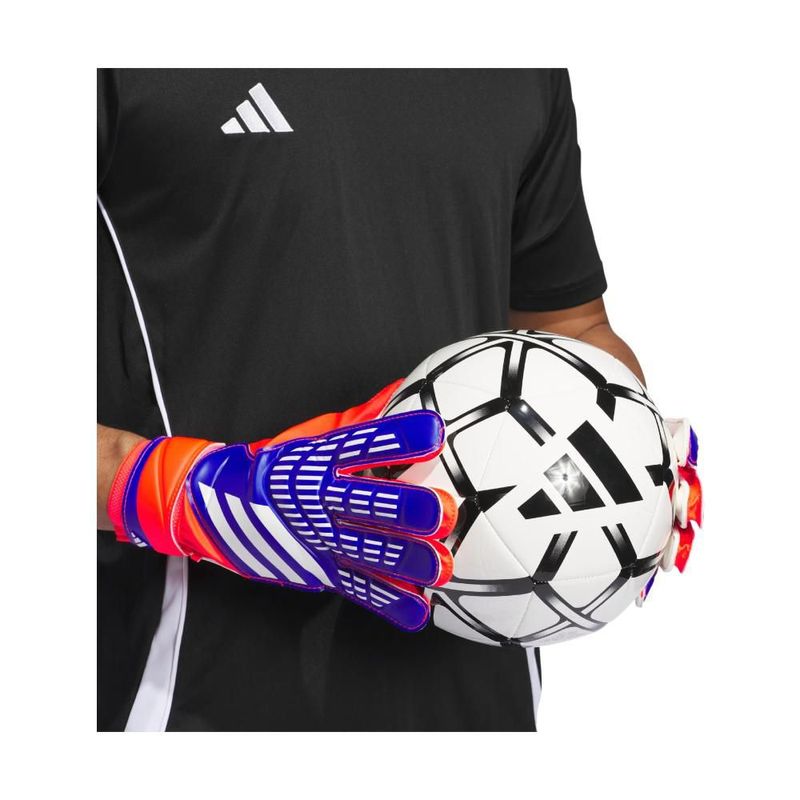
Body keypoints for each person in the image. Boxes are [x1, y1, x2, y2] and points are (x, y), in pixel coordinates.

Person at [97, 68, 645, 732]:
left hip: (481, 692)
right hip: (188, 691)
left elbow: (571, 326)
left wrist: (639, 453)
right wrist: (177, 492)